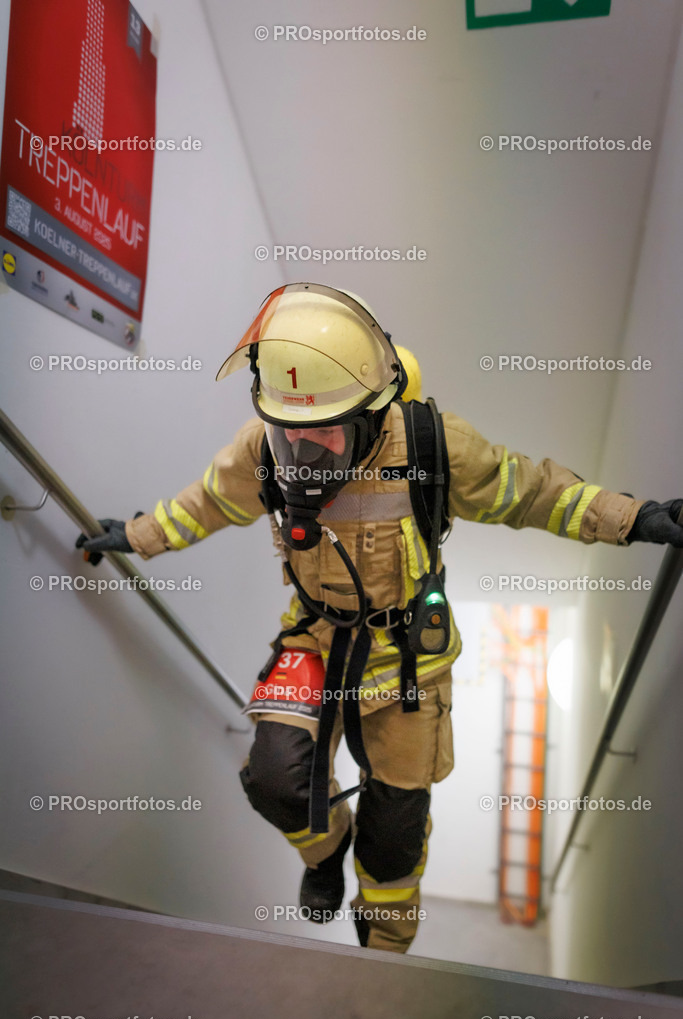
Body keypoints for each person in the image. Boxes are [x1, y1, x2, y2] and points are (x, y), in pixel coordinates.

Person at [76, 283, 683, 954]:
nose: (303, 453)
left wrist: (634, 519)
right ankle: (324, 856)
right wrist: (134, 535)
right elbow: (208, 503)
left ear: (370, 413)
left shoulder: (431, 446)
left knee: (394, 834)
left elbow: (531, 492)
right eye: (291, 433)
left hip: (408, 659)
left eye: (324, 433)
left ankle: (385, 956)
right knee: (276, 780)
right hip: (313, 635)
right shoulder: (262, 446)